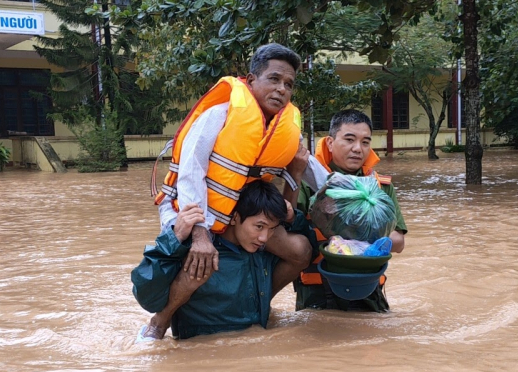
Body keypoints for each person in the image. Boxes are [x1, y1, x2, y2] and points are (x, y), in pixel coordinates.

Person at [144, 43, 315, 339]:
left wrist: (356, 194)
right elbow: (190, 174)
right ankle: (160, 321)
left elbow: (320, 175)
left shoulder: (285, 129)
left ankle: (260, 301)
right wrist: (200, 233)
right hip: (189, 207)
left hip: (242, 213)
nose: (282, 90)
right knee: (203, 260)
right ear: (251, 81)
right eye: (273, 79)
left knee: (300, 251)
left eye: (288, 84)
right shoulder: (218, 115)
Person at [133, 180, 311, 340]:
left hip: (255, 339)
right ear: (235, 218)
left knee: (299, 247)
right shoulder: (197, 248)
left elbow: (308, 247)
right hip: (201, 347)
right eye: (259, 227)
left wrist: (293, 217)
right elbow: (146, 296)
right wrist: (175, 237)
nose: (265, 237)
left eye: (271, 229)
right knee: (200, 267)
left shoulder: (261, 249)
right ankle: (158, 324)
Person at [286, 109, 408, 312]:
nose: (358, 149)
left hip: (369, 292)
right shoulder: (307, 184)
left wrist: (351, 237)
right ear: (330, 143)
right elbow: (288, 230)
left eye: (365, 142)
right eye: (349, 140)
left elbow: (398, 242)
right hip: (316, 294)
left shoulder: (379, 187)